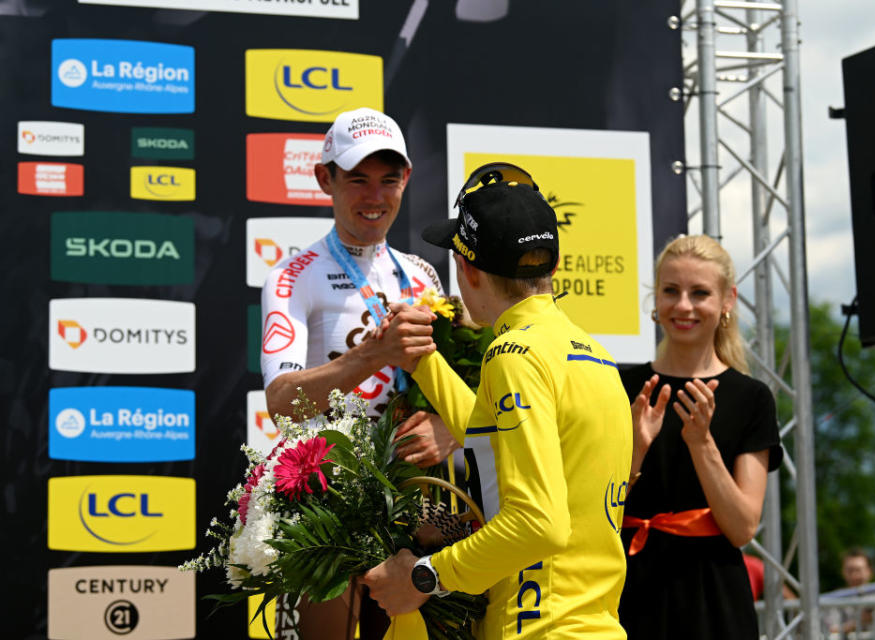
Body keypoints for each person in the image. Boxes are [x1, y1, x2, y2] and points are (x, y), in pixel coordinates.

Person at [360, 164, 634, 638]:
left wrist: (423, 578)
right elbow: (496, 447)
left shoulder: (515, 354)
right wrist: (425, 361)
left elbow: (539, 525)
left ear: (466, 269)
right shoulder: (590, 351)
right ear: (555, 260)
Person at [259, 107, 458, 640]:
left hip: (414, 502)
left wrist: (450, 426)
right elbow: (281, 404)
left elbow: (461, 388)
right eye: (358, 180)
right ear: (325, 178)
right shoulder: (291, 276)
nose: (375, 197)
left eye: (388, 180)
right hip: (328, 502)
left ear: (406, 181)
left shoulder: (423, 275)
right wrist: (370, 356)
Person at [618, 234, 783, 639]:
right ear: (655, 299)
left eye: (700, 293)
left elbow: (743, 527)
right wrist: (635, 453)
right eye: (671, 290)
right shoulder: (621, 386)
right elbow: (592, 509)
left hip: (713, 601)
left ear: (728, 300)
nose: (684, 305)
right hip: (626, 588)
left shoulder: (750, 398)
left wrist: (701, 443)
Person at [824, 548, 875, 635]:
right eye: (850, 570)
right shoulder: (836, 597)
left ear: (869, 571)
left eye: (858, 570)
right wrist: (857, 622)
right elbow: (831, 630)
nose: (854, 575)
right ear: (843, 572)